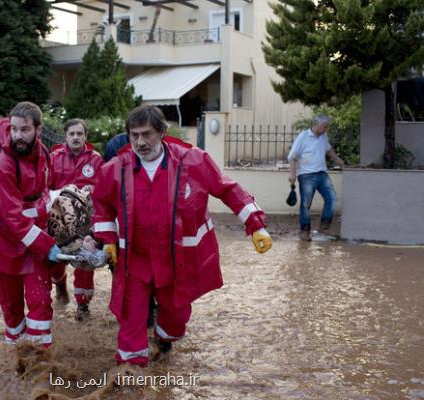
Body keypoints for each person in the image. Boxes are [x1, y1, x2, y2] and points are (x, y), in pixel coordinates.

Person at [90, 105, 273, 367]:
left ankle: (164, 342)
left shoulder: (193, 161)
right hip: (136, 261)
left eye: (147, 134)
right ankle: (131, 377)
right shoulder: (115, 169)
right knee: (131, 319)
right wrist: (107, 240)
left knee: (175, 317)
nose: (140, 142)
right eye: (134, 136)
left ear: (162, 132)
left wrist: (255, 225)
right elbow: (101, 204)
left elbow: (227, 189)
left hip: (175, 260)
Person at [0, 101, 62, 346]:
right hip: (1, 242)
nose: (18, 135)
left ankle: (40, 363)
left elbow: (45, 192)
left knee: (40, 301)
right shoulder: (0, 165)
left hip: (33, 240)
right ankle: (15, 359)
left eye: (25, 129)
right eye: (14, 129)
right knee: (11, 306)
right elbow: (13, 218)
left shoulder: (45, 155)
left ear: (38, 131)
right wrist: (47, 245)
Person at [48, 119, 105, 320]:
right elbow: (45, 190)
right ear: (65, 136)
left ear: (85, 137)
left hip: (85, 223)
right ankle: (60, 284)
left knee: (84, 261)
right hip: (59, 221)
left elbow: (105, 190)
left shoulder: (96, 160)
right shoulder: (53, 158)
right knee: (54, 260)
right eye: (72, 134)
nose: (75, 137)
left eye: (79, 134)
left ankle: (82, 306)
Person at [288, 115, 345, 241]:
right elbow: (292, 156)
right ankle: (305, 232)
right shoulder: (303, 137)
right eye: (324, 127)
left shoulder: (323, 137)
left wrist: (338, 160)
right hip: (306, 175)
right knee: (306, 204)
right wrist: (292, 174)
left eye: (326, 127)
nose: (326, 129)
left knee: (332, 198)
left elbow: (329, 149)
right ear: (316, 125)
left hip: (322, 174)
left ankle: (323, 229)